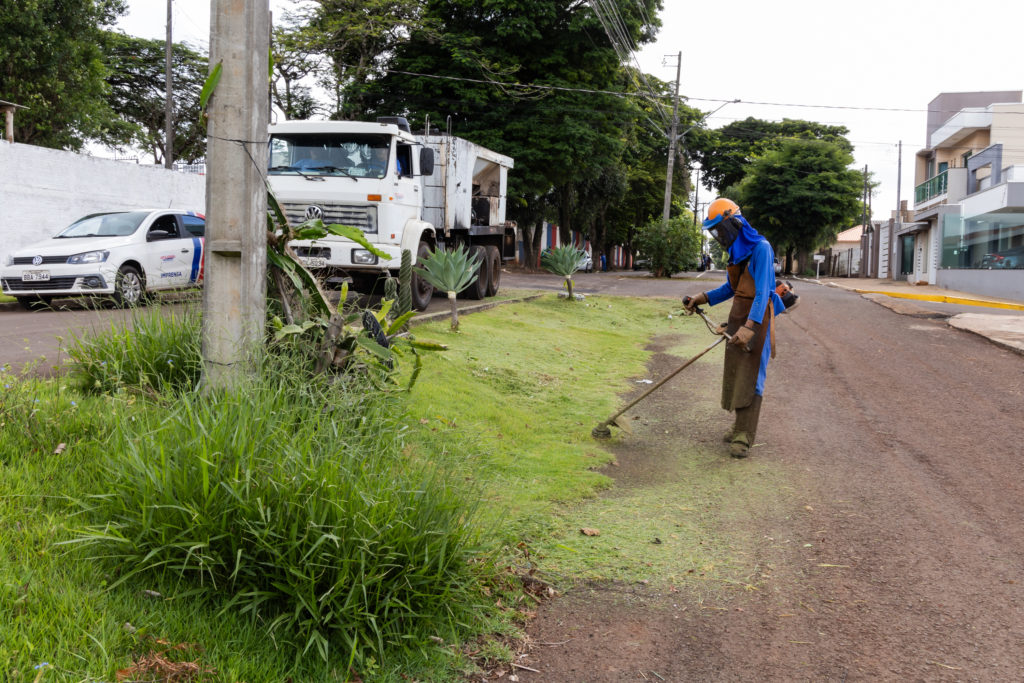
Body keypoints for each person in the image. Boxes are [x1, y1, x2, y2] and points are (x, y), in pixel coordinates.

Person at [683, 198, 794, 458]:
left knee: (753, 374)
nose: (719, 235)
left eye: (721, 228)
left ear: (735, 222)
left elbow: (763, 293)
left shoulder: (761, 249)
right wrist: (702, 298)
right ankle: (739, 424)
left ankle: (745, 434)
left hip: (758, 320)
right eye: (715, 231)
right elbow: (731, 289)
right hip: (738, 317)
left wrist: (750, 327)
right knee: (736, 372)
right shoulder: (736, 252)